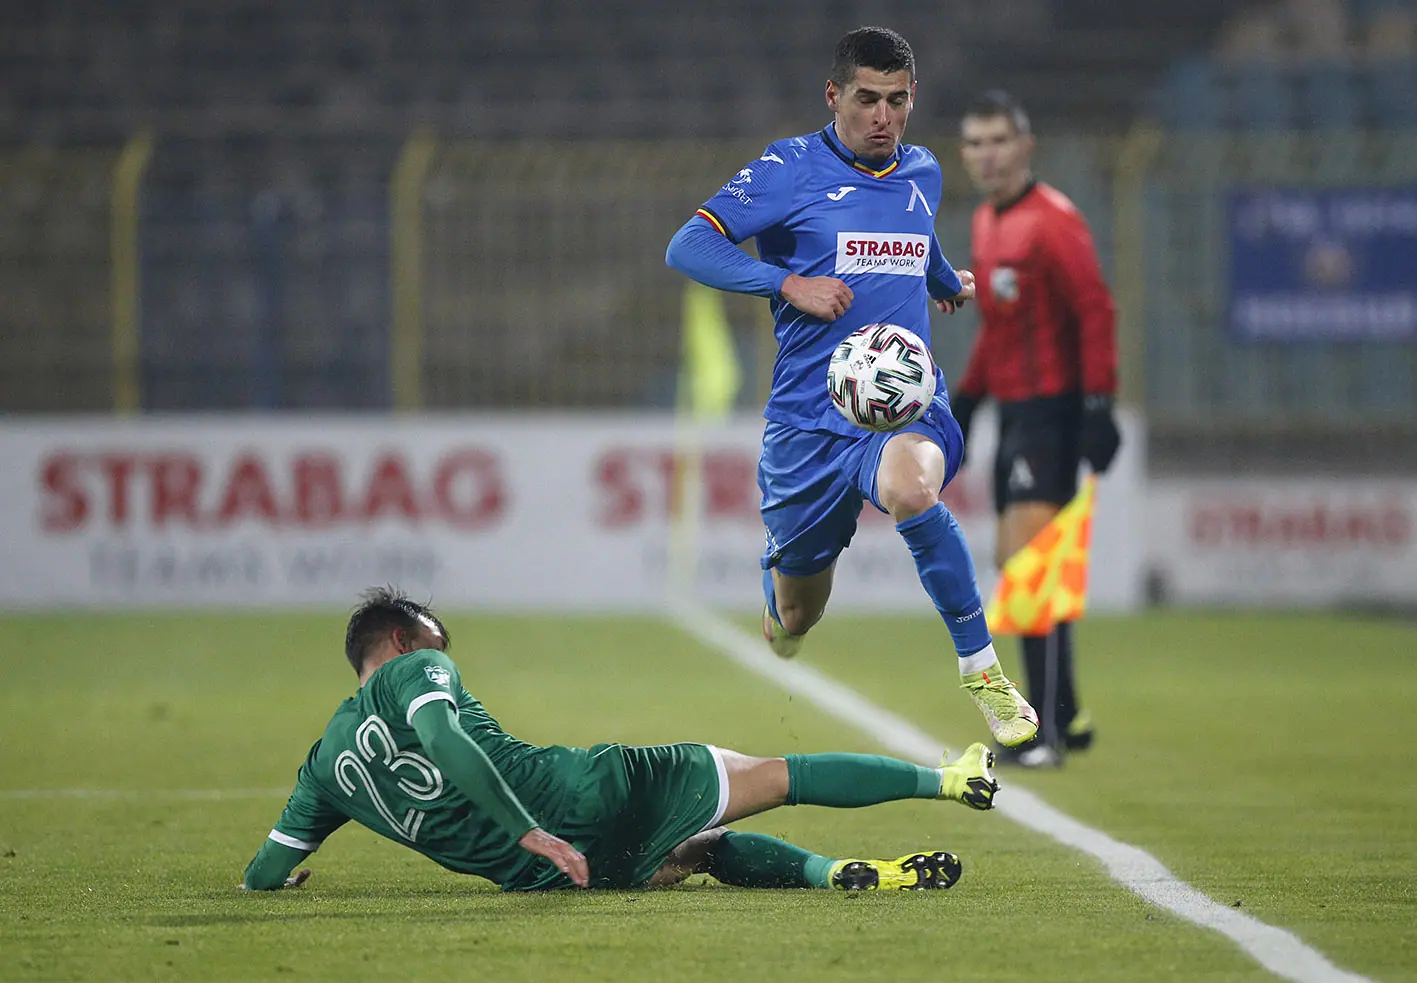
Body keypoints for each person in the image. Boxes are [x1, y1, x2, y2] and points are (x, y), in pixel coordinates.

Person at [664, 26, 1038, 749]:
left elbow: (916, 235)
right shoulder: (788, 169)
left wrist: (941, 282)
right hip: (807, 424)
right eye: (866, 99)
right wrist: (787, 283)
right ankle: (781, 603)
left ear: (912, 97)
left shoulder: (922, 170)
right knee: (796, 615)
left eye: (896, 101)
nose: (882, 117)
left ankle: (982, 670)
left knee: (912, 488)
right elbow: (689, 245)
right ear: (833, 95)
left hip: (901, 403)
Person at [240, 587, 1002, 894]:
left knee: (699, 849)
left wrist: (270, 886)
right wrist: (528, 827)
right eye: (440, 644)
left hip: (556, 877)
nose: (446, 654)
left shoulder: (323, 768)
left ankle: (835, 873)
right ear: (405, 641)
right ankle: (949, 780)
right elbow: (444, 738)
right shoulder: (416, 668)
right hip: (576, 799)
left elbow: (265, 868)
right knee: (777, 774)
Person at [951, 90, 1122, 767]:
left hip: (1054, 409)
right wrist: (969, 398)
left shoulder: (1053, 220)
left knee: (1028, 567)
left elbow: (1095, 309)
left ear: (1025, 146)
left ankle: (1041, 733)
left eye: (998, 140)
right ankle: (1067, 712)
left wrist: (1098, 404)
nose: (987, 155)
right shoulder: (986, 223)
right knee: (1015, 562)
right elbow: (999, 329)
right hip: (1015, 412)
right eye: (975, 143)